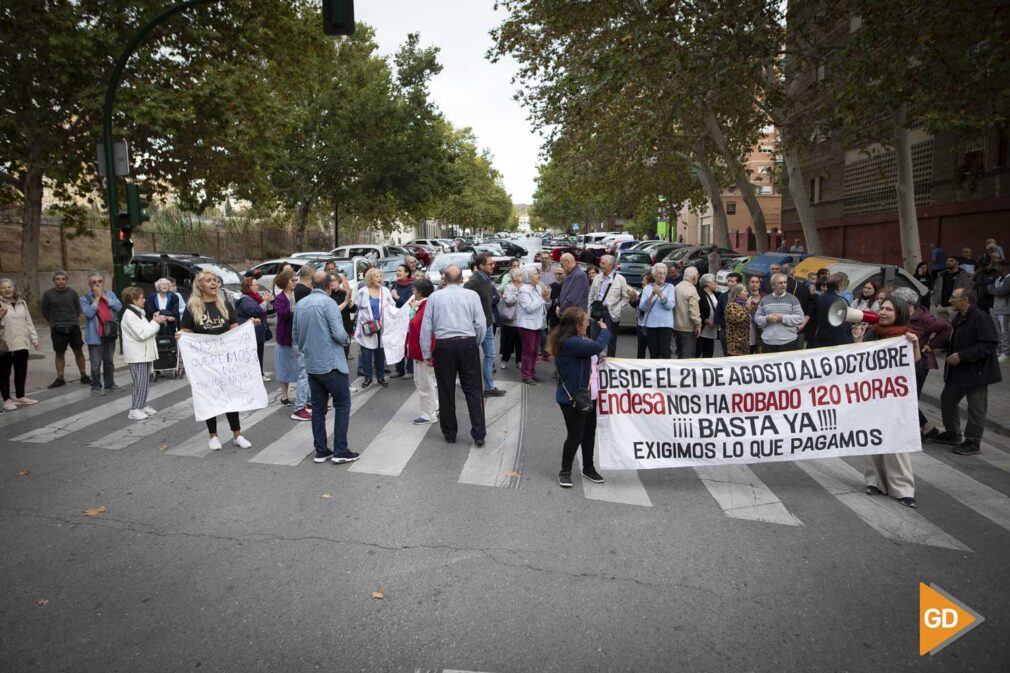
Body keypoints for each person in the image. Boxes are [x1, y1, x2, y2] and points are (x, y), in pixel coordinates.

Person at [854, 295, 922, 508]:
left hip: (895, 399)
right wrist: (857, 340)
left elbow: (914, 363)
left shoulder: (906, 336)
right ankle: (873, 480)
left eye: (888, 310)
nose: (882, 312)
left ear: (899, 313)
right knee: (872, 438)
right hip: (872, 396)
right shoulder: (873, 332)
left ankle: (903, 488)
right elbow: (857, 362)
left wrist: (916, 345)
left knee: (897, 441)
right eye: (882, 308)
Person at [179, 271, 254, 451]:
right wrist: (180, 336)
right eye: (208, 280)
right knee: (209, 397)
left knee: (230, 395)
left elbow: (234, 329)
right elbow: (186, 332)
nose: (213, 283)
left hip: (225, 359)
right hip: (204, 363)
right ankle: (213, 436)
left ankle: (237, 434)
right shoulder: (192, 307)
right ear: (200, 285)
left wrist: (249, 327)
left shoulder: (224, 304)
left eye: (215, 280)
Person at [292, 270, 358, 464]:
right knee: (343, 404)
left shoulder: (301, 304)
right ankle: (340, 450)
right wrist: (347, 339)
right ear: (329, 285)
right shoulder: (328, 304)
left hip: (311, 364)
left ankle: (321, 450)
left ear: (312, 285)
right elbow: (338, 334)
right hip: (331, 363)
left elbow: (295, 336)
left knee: (319, 408)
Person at [420, 265, 487, 445]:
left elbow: (427, 327)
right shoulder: (472, 296)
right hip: (467, 342)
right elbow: (481, 324)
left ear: (444, 279)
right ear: (461, 280)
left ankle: (450, 433)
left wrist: (426, 352)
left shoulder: (434, 297)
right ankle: (479, 433)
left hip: (444, 345)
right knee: (473, 390)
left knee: (446, 390)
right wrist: (475, 342)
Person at [933, 289, 1002, 455]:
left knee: (976, 407)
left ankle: (972, 442)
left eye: (954, 298)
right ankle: (953, 434)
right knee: (948, 399)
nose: (950, 301)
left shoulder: (980, 317)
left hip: (976, 371)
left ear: (965, 300)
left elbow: (989, 344)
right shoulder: (959, 317)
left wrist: (962, 355)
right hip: (959, 370)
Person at [547, 307, 610, 488]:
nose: (588, 323)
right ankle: (565, 471)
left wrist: (598, 361)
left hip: (590, 395)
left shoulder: (581, 340)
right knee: (576, 434)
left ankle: (588, 468)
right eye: (585, 321)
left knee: (589, 433)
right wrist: (604, 330)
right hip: (572, 398)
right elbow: (597, 346)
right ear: (576, 325)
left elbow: (590, 358)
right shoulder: (569, 342)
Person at [889, 287, 952, 440]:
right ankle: (926, 428)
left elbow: (946, 327)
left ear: (907, 303)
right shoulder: (901, 315)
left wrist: (931, 344)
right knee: (900, 397)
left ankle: (924, 429)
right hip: (902, 362)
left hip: (920, 363)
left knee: (908, 398)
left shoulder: (924, 318)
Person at [120, 286, 168, 420]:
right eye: (141, 297)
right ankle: (135, 409)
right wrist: (155, 322)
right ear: (134, 300)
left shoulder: (137, 313)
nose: (144, 300)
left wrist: (154, 321)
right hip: (137, 355)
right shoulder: (130, 315)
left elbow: (146, 329)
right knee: (140, 382)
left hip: (143, 353)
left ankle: (142, 405)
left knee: (144, 382)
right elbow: (143, 334)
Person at [464, 253, 505, 397]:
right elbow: (465, 301)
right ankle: (474, 387)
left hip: (487, 323)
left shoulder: (486, 278)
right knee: (475, 357)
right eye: (490, 264)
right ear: (481, 266)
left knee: (490, 355)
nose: (493, 266)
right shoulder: (474, 281)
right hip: (477, 325)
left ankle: (489, 387)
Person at [272, 269, 311, 420]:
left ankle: (306, 399)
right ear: (285, 282)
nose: (294, 281)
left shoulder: (298, 293)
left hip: (298, 336)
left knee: (301, 368)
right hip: (285, 337)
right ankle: (284, 395)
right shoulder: (281, 298)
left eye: (295, 279)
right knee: (285, 366)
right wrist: (294, 306)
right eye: (292, 279)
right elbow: (283, 314)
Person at [40, 270, 89, 387]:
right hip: (57, 328)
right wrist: (53, 324)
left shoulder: (72, 293)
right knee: (59, 353)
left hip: (73, 327)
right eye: (58, 279)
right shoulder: (48, 294)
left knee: (78, 351)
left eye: (63, 279)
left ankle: (83, 375)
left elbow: (78, 308)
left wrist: (73, 321)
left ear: (66, 280)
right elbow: (44, 311)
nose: (60, 281)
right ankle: (60, 378)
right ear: (54, 281)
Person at [0, 278, 41, 410]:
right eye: (3, 287)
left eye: (9, 287)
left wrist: (34, 338)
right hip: (5, 344)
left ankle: (20, 396)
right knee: (4, 373)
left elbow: (28, 322)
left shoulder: (21, 302)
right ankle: (6, 399)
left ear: (14, 288)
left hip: (21, 343)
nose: (7, 290)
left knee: (21, 371)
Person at [80, 272, 123, 395]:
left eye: (99, 281)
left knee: (109, 361)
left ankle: (110, 384)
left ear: (103, 282)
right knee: (95, 363)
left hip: (110, 333)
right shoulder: (85, 298)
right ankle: (95, 387)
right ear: (89, 284)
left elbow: (119, 307)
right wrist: (97, 299)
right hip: (95, 336)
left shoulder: (110, 294)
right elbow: (88, 314)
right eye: (94, 282)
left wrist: (104, 297)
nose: (97, 284)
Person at [354, 268, 395, 389]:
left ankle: (380, 377)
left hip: (382, 326)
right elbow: (358, 309)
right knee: (366, 354)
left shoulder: (386, 291)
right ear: (370, 279)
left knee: (380, 353)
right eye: (377, 276)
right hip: (368, 326)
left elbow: (391, 306)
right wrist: (364, 321)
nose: (379, 279)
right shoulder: (362, 291)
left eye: (380, 277)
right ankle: (367, 378)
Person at [406, 279, 439, 425]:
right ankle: (433, 407)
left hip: (422, 352)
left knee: (424, 383)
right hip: (421, 351)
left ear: (419, 293)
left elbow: (417, 326)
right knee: (424, 381)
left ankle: (428, 414)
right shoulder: (424, 305)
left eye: (414, 290)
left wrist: (412, 313)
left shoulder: (425, 306)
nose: (413, 293)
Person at [587, 255, 629, 357]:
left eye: (603, 263)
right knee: (594, 338)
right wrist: (589, 312)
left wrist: (618, 310)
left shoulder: (620, 279)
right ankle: (595, 363)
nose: (600, 265)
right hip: (596, 311)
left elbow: (625, 297)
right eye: (601, 263)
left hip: (611, 312)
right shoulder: (597, 278)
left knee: (611, 340)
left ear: (611, 265)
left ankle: (610, 365)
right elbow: (591, 296)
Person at [754, 273, 804, 352]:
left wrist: (783, 318)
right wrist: (767, 319)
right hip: (768, 342)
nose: (783, 285)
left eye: (785, 282)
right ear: (773, 285)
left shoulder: (793, 299)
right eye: (780, 283)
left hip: (789, 341)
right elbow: (757, 318)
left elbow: (800, 318)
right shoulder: (764, 300)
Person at [236, 276, 273, 382]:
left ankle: (259, 373)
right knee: (254, 354)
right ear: (248, 287)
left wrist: (267, 301)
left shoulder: (254, 297)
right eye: (255, 284)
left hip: (257, 331)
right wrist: (265, 302)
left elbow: (264, 310)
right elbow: (255, 311)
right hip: (252, 332)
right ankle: (255, 375)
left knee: (259, 353)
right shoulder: (246, 299)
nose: (257, 286)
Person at [516, 265, 549, 385]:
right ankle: (526, 375)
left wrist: (546, 297)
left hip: (537, 324)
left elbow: (543, 304)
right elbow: (529, 308)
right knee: (528, 351)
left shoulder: (538, 288)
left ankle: (532, 373)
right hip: (527, 325)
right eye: (535, 274)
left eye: (538, 273)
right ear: (529, 277)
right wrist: (542, 298)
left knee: (535, 350)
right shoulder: (524, 289)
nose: (538, 276)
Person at [639, 263, 677, 359]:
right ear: (654, 275)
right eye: (659, 273)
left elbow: (670, 306)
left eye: (664, 273)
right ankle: (655, 373)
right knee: (653, 352)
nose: (662, 276)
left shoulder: (670, 287)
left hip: (665, 324)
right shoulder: (647, 288)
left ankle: (666, 372)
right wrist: (651, 296)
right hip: (651, 324)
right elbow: (642, 308)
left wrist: (661, 295)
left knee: (665, 351)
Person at [813, 273, 855, 348]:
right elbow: (846, 323)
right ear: (840, 285)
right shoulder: (841, 301)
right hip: (838, 340)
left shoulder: (821, 297)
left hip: (822, 338)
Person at [390, 263, 416, 379]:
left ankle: (410, 369)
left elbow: (409, 304)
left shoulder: (412, 287)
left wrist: (396, 297)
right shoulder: (394, 285)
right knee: (398, 343)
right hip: (396, 319)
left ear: (407, 273)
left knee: (408, 344)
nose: (397, 273)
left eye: (400, 271)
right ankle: (399, 369)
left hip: (408, 319)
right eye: (397, 271)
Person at [498, 268, 524, 370]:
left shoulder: (524, 287)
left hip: (522, 320)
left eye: (521, 275)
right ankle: (505, 360)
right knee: (509, 342)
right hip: (511, 320)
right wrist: (518, 293)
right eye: (519, 275)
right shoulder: (509, 287)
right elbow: (508, 300)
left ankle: (519, 360)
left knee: (520, 343)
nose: (521, 277)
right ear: (513, 278)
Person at [674, 267, 702, 358]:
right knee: (687, 355)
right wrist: (698, 324)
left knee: (680, 352)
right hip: (688, 327)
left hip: (676, 325)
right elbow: (694, 309)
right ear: (694, 277)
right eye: (697, 276)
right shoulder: (691, 289)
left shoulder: (677, 287)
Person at [987, 258, 1010, 363]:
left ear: (1005, 267)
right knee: (997, 331)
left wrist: (992, 289)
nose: (997, 268)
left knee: (1004, 332)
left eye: (999, 266)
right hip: (995, 308)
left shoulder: (1008, 279)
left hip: (1004, 310)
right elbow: (992, 289)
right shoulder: (998, 278)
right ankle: (999, 351)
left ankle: (1005, 353)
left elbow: (1001, 291)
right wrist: (992, 289)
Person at [723, 285, 752, 356]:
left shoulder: (743, 305)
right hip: (735, 344)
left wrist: (755, 303)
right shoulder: (731, 306)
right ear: (738, 294)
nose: (747, 293)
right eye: (745, 291)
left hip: (744, 343)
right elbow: (736, 318)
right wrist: (747, 307)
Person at [697, 273, 719, 358]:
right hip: (703, 328)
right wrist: (706, 320)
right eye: (714, 281)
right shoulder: (700, 294)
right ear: (707, 283)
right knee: (698, 351)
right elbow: (698, 310)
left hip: (711, 329)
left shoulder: (715, 294)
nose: (716, 283)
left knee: (709, 353)